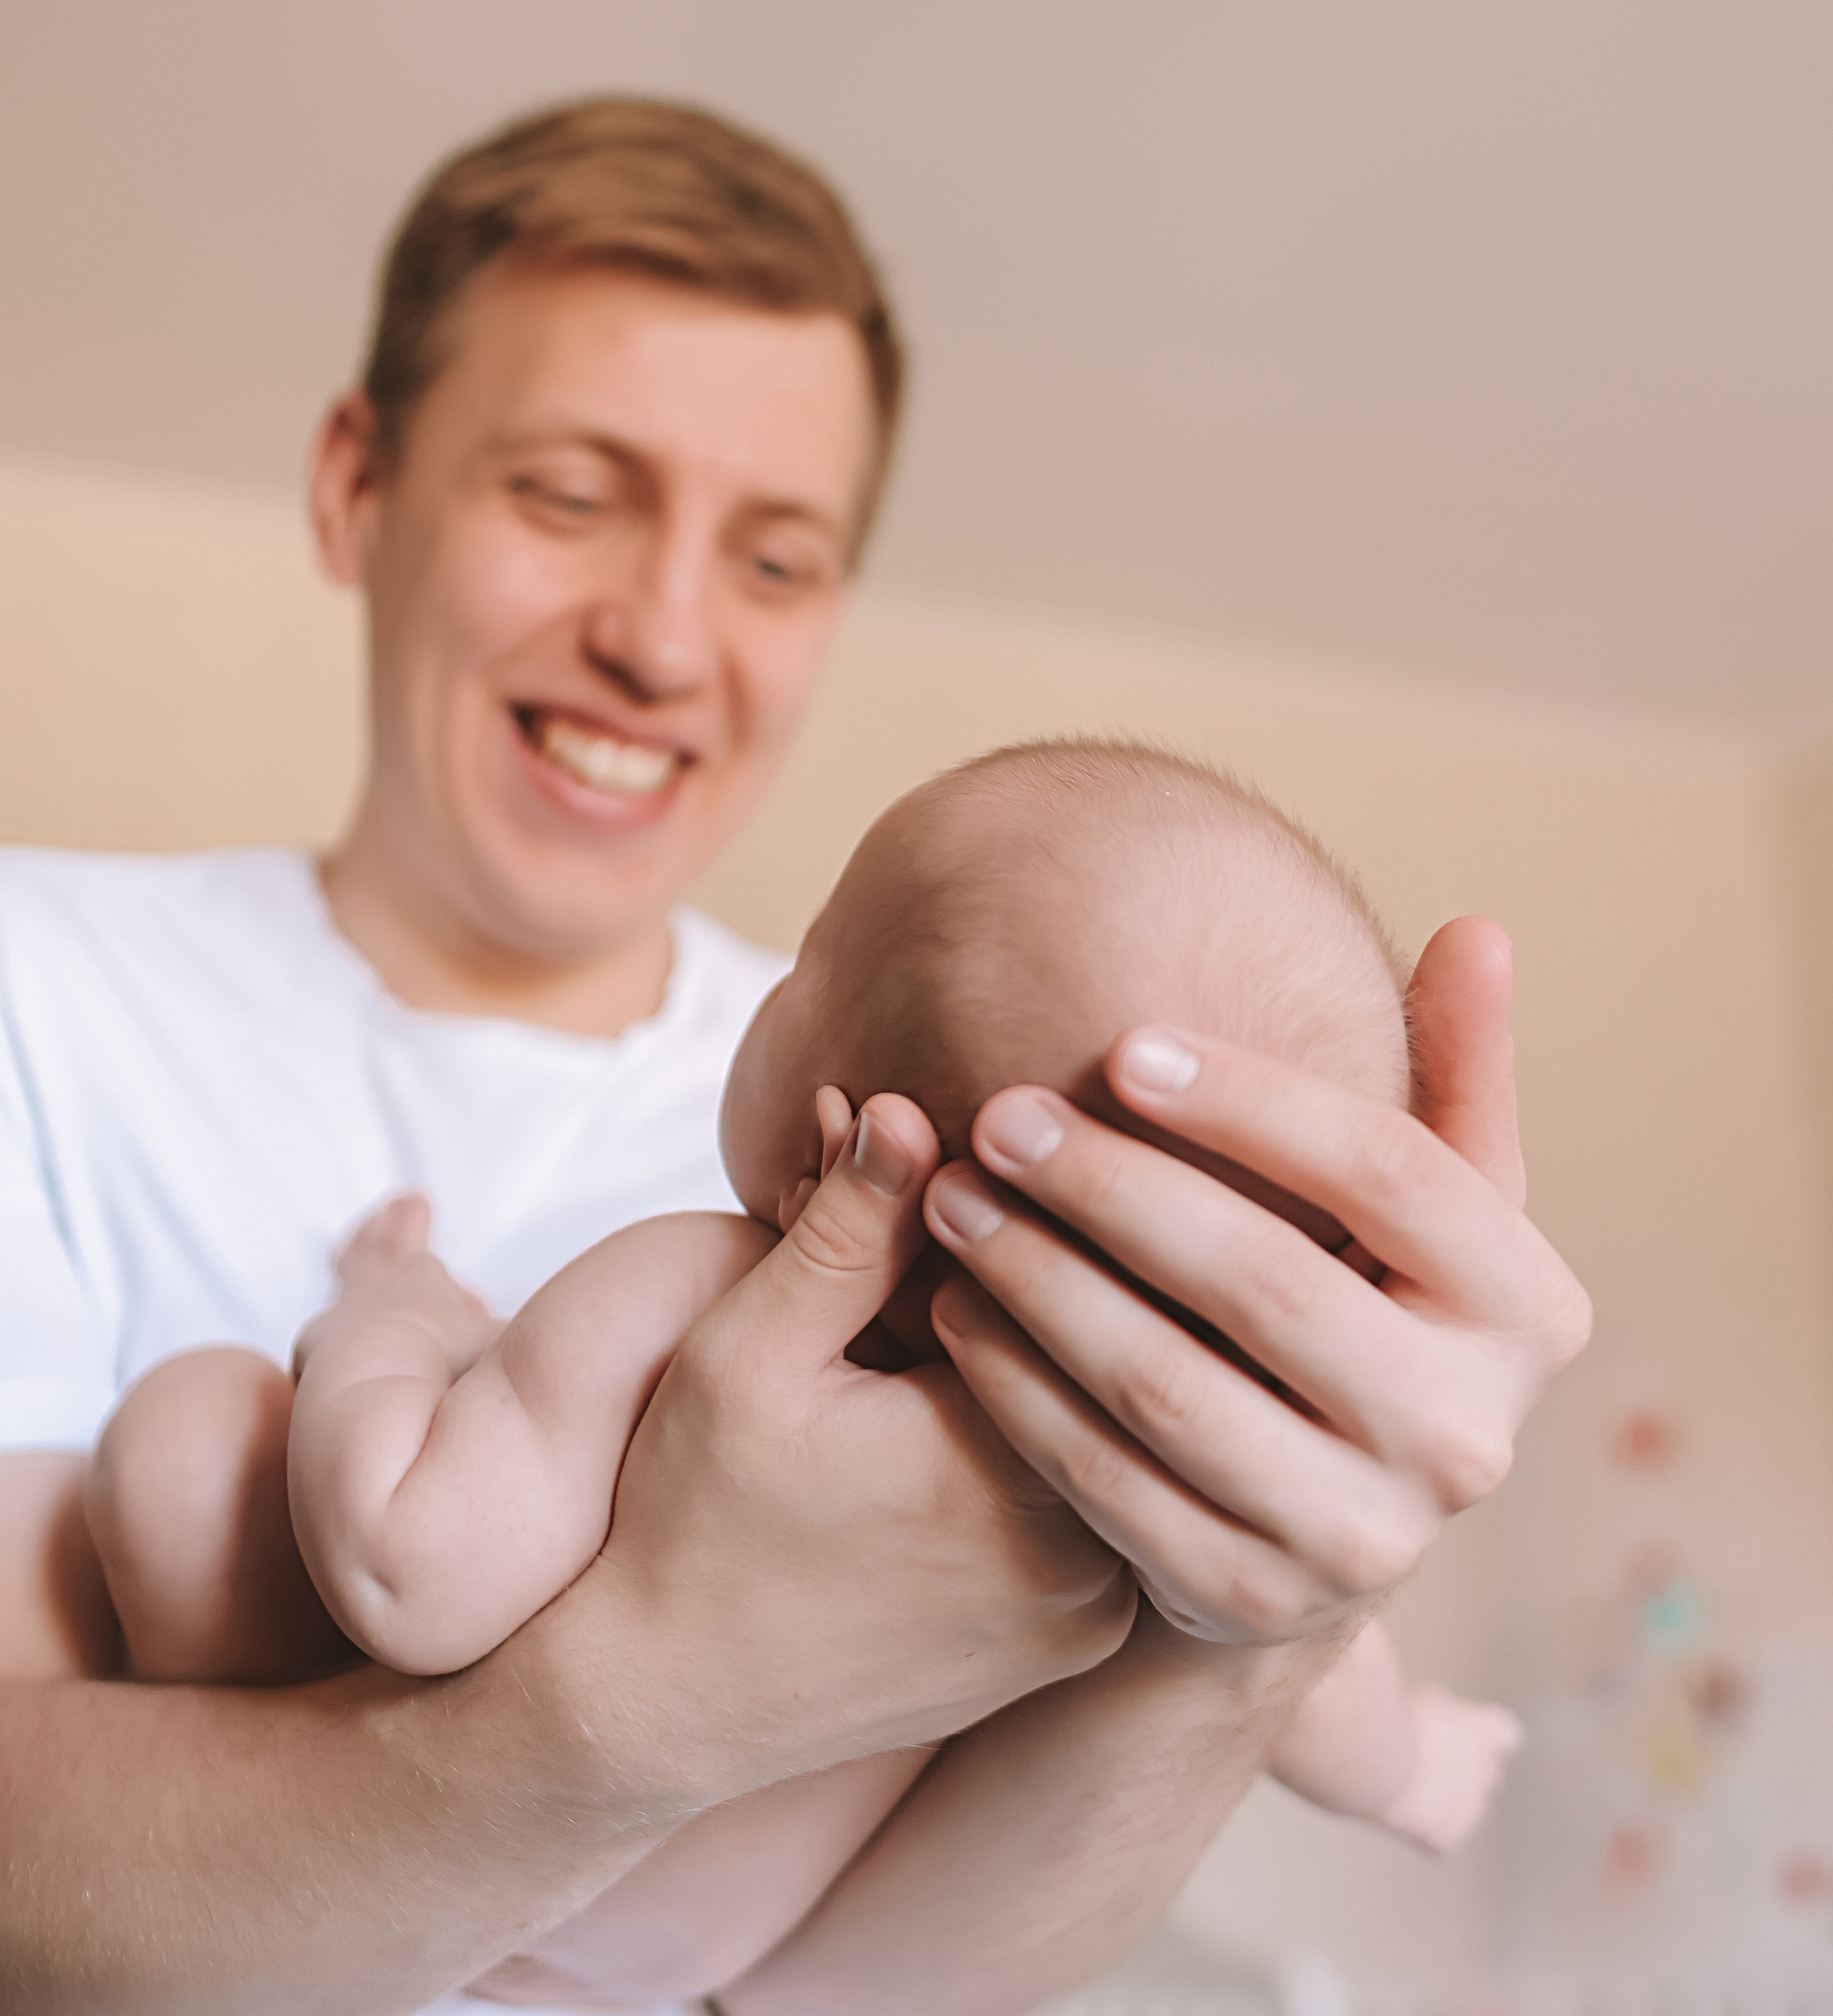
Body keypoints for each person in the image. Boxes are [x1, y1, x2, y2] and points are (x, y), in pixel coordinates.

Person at [0, 99, 1590, 2016]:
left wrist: (1290, 1592)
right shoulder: (40, 986)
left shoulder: (914, 1149)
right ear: (361, 487)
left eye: (775, 554)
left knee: (192, 1448)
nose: (664, 633)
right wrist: (644, 1712)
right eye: (571, 494)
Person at [84, 737, 1524, 1954]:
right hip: (730, 1939)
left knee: (195, 1433)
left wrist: (387, 1318)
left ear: (818, 1133)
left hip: (516, 1885)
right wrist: (1410, 1771)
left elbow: (409, 1563)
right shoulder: (1125, 1499)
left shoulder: (689, 1283)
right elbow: (1312, 1673)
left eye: (792, 982)